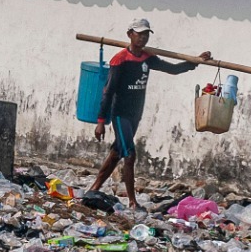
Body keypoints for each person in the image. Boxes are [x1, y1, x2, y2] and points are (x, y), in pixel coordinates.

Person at [87, 18, 209, 211]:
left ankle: (93, 188)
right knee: (130, 155)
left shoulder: (147, 58)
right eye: (139, 34)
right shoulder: (120, 60)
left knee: (117, 152)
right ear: (130, 35)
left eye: (146, 34)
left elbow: (173, 69)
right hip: (120, 114)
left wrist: (196, 62)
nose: (143, 38)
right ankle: (132, 201)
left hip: (136, 114)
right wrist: (101, 121)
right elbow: (108, 92)